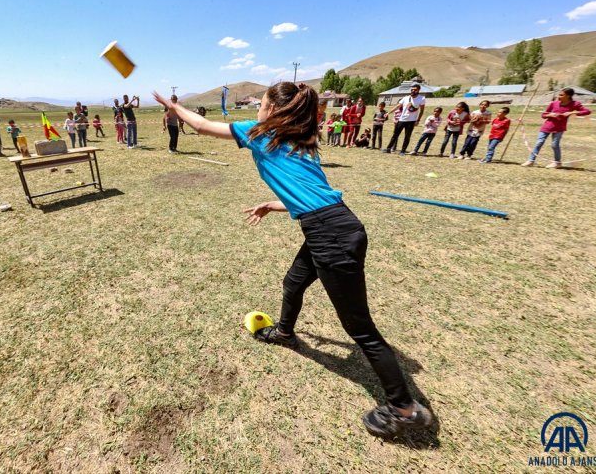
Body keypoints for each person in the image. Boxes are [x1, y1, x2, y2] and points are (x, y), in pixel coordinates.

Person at [153, 83, 433, 439]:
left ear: (272, 109)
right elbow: (312, 192)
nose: (259, 110)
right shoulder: (303, 140)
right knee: (294, 281)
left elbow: (203, 126)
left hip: (330, 234)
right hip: (333, 226)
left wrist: (173, 106)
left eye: (262, 103)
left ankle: (404, 408)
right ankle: (285, 333)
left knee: (360, 328)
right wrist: (273, 204)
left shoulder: (261, 133)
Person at [522, 88, 591, 169]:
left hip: (559, 128)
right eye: (559, 94)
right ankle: (531, 161)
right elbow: (543, 115)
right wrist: (550, 115)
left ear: (568, 96)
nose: (559, 96)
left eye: (561, 95)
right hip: (547, 126)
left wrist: (572, 112)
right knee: (539, 142)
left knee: (555, 145)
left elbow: (587, 111)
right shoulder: (553, 103)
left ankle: (557, 163)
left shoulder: (575, 104)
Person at [383, 83, 425, 154]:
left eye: (415, 90)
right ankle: (388, 148)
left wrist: (418, 120)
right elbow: (398, 106)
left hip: (411, 121)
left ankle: (403, 151)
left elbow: (422, 111)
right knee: (395, 134)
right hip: (402, 119)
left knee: (407, 136)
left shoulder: (421, 99)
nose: (413, 91)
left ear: (418, 90)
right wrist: (388, 113)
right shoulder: (406, 98)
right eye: (412, 89)